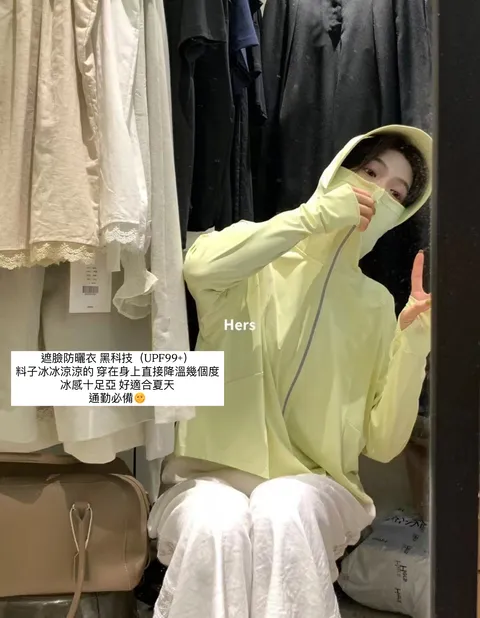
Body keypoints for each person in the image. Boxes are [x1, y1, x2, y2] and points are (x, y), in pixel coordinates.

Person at [148, 125, 432, 618]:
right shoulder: (254, 260)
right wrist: (311, 219)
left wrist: (414, 343)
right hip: (208, 479)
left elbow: (383, 443)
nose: (379, 193)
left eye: (396, 192)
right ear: (338, 173)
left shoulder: (374, 305)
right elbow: (199, 269)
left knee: (284, 506)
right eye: (370, 172)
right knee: (215, 525)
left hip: (316, 486)